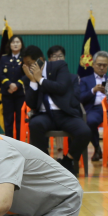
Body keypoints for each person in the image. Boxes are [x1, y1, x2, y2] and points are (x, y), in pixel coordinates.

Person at [20, 45, 90, 176]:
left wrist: (40, 79)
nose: (27, 67)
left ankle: (68, 161)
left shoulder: (59, 66)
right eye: (25, 64)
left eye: (29, 64)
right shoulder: (27, 77)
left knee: (84, 132)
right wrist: (33, 81)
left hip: (65, 113)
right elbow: (31, 104)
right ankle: (47, 163)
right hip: (45, 115)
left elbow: (61, 88)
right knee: (35, 125)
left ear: (40, 60)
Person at [77, 50, 108, 162]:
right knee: (90, 121)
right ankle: (97, 148)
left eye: (104, 65)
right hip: (94, 109)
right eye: (99, 65)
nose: (102, 67)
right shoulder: (85, 80)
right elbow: (80, 98)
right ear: (93, 64)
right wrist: (93, 90)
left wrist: (107, 93)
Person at [0, 34, 26, 140]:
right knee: (8, 120)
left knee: (19, 119)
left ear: (21, 44)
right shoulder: (4, 58)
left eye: (17, 42)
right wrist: (9, 84)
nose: (15, 44)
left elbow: (26, 74)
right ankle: (9, 142)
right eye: (13, 42)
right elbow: (0, 73)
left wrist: (17, 85)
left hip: (20, 94)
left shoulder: (24, 58)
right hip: (7, 93)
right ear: (9, 45)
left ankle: (19, 142)